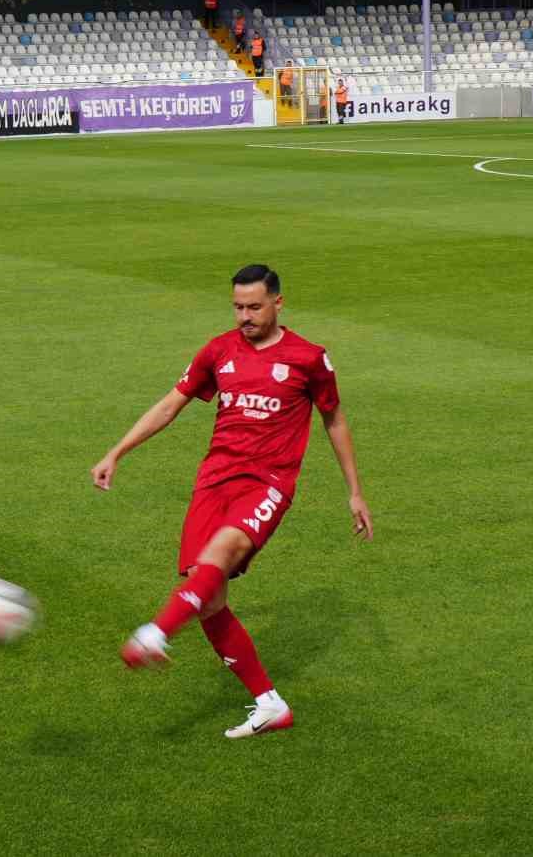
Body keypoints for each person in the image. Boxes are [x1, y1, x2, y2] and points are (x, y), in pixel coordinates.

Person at [91, 264, 373, 739]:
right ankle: (270, 704)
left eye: (254, 306)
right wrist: (117, 451)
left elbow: (335, 420)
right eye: (238, 306)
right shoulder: (219, 350)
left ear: (278, 303)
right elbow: (170, 404)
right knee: (208, 599)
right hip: (213, 482)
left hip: (267, 484)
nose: (245, 315)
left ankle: (155, 634)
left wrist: (355, 492)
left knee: (217, 557)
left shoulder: (309, 358)